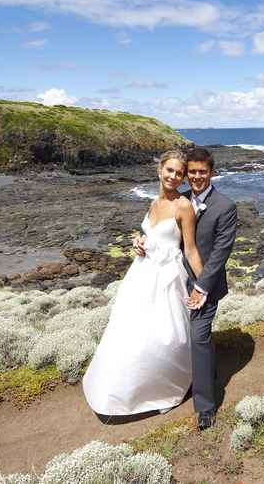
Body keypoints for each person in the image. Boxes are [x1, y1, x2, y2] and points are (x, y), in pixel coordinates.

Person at [82, 150, 203, 416]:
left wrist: (204, 285)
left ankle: (160, 387)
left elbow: (190, 249)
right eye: (169, 170)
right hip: (142, 274)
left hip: (167, 277)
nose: (174, 176)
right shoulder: (153, 202)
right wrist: (139, 243)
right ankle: (123, 388)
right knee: (131, 331)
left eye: (179, 173)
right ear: (160, 170)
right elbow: (149, 233)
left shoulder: (183, 206)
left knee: (165, 335)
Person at [135, 146, 237, 430]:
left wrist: (202, 288)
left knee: (198, 337)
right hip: (173, 281)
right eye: (191, 172)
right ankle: (197, 374)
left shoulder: (225, 207)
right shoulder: (178, 199)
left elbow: (220, 253)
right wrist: (140, 240)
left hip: (206, 283)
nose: (196, 177)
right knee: (171, 335)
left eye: (201, 172)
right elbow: (157, 229)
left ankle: (205, 407)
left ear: (212, 173)